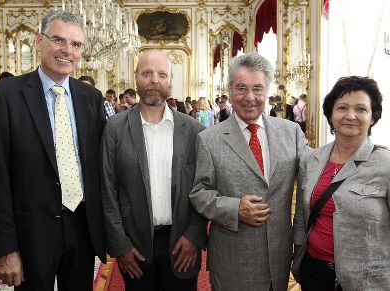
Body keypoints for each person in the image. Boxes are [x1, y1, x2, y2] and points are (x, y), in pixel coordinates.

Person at [0, 10, 106, 289]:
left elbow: (99, 167)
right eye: (58, 40)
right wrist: (5, 247)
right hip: (31, 234)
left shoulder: (91, 97)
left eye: (76, 44)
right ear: (39, 41)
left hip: (82, 229)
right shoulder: (4, 95)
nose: (67, 51)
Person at [189, 53, 308, 291]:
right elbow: (199, 193)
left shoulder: (291, 132)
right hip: (233, 259)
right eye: (241, 88)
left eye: (258, 89)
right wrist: (234, 209)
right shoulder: (208, 139)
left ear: (267, 92)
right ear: (230, 90)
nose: (250, 97)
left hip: (279, 256)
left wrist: (354, 151)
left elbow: (316, 168)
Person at [101, 49, 207, 291]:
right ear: (136, 77)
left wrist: (194, 235)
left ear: (171, 81)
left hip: (182, 245)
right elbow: (107, 189)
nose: (154, 80)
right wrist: (120, 245)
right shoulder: (115, 128)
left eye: (162, 74)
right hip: (134, 246)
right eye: (147, 73)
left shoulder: (195, 131)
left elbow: (205, 188)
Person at [293, 76, 390, 291]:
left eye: (361, 109)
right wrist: (298, 257)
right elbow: (302, 215)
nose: (350, 116)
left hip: (365, 278)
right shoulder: (312, 159)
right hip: (313, 270)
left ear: (373, 117)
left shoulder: (385, 164)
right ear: (330, 114)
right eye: (342, 108)